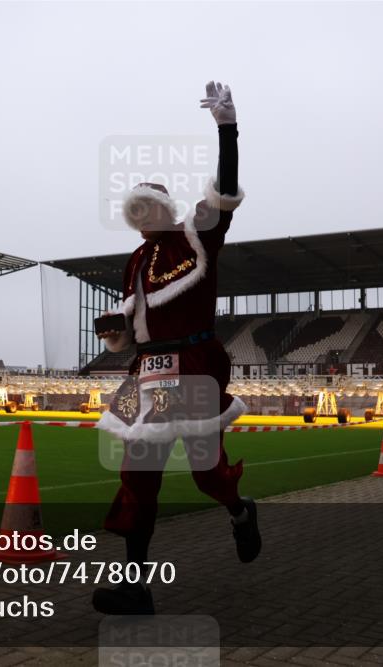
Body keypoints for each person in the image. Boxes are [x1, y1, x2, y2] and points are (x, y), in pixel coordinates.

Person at [92, 81, 258, 615]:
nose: (141, 216)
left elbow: (224, 191)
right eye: (133, 210)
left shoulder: (195, 236)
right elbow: (135, 324)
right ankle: (135, 586)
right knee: (137, 476)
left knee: (206, 472)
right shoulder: (135, 262)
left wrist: (227, 130)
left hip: (190, 363)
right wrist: (116, 328)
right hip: (149, 370)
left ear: (164, 207)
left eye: (148, 206)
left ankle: (239, 510)